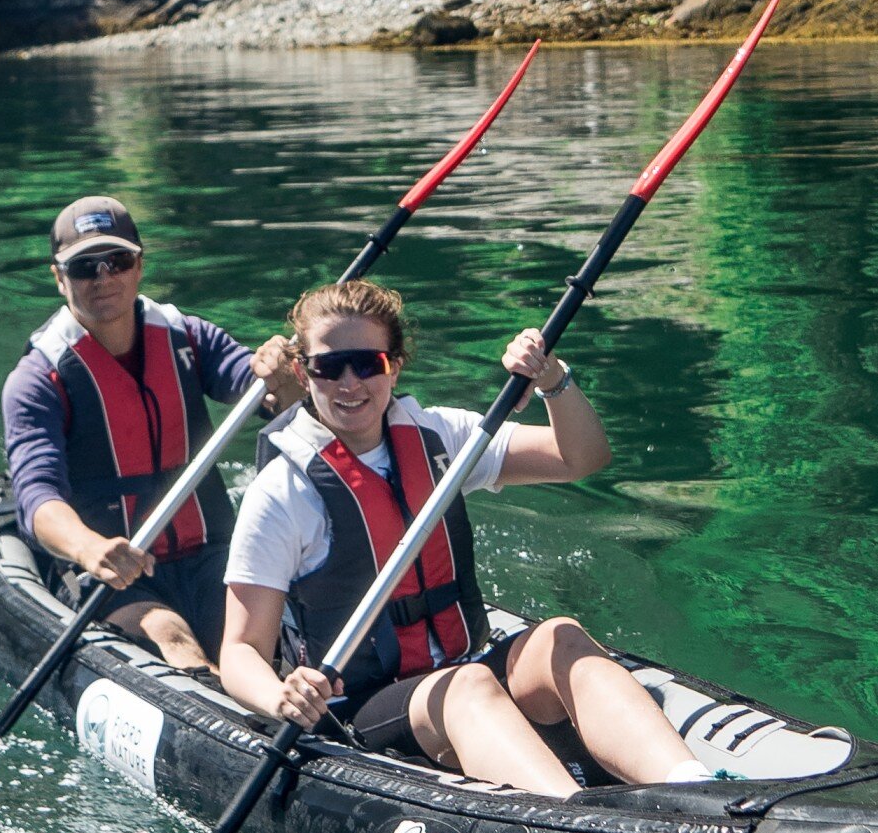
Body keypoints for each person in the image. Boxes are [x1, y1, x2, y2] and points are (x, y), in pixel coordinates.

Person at [217, 278, 711, 796]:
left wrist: (552, 381)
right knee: (467, 686)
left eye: (367, 364)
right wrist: (281, 697)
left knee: (558, 635)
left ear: (395, 365)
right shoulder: (283, 490)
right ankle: (577, 816)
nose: (349, 383)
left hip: (458, 664)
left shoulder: (441, 437)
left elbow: (581, 458)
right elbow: (240, 651)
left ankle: (693, 786)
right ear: (302, 372)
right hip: (361, 705)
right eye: (327, 367)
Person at [1, 194, 301, 673]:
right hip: (116, 574)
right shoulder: (37, 380)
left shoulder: (188, 338)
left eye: (117, 260)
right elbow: (38, 497)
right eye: (84, 267)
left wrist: (283, 381)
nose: (103, 278)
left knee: (269, 649)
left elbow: (267, 397)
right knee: (170, 636)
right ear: (59, 278)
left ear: (139, 266)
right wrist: (89, 548)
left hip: (209, 557)